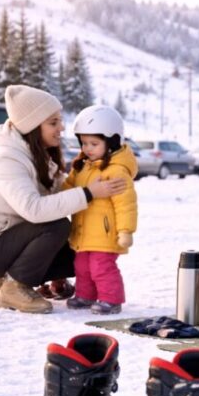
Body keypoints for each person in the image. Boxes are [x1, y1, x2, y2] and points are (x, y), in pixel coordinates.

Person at [0, 85, 127, 314]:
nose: (61, 128)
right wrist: (89, 193)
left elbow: (57, 195)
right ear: (32, 126)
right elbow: (34, 210)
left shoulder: (35, 156)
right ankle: (14, 286)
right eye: (53, 123)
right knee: (57, 225)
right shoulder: (6, 159)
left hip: (0, 240)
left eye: (59, 121)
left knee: (81, 245)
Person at [63, 105, 137, 315]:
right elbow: (67, 190)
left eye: (94, 143)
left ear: (112, 142)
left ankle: (111, 299)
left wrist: (126, 231)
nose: (88, 148)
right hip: (83, 233)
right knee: (82, 267)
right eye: (84, 143)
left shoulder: (116, 172)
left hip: (106, 234)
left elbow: (126, 204)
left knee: (101, 268)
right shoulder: (83, 167)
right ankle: (85, 295)